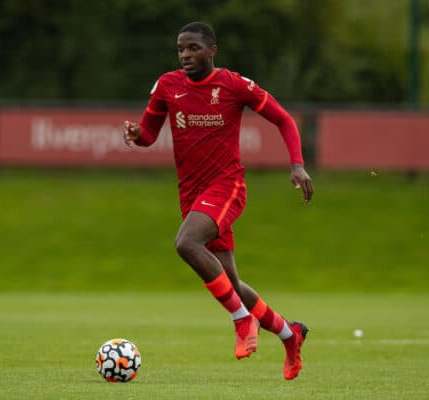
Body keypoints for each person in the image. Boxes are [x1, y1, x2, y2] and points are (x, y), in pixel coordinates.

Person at [121, 21, 313, 380]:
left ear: (212, 50)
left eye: (193, 48)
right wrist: (137, 134)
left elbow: (284, 119)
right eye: (180, 49)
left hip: (226, 186)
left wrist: (297, 165)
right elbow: (149, 133)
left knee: (186, 243)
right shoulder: (167, 85)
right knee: (231, 283)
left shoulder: (233, 84)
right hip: (191, 193)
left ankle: (241, 321)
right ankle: (291, 334)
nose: (185, 55)